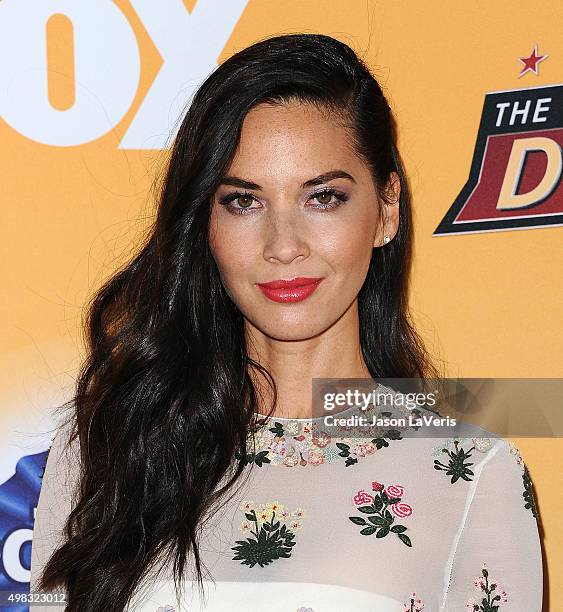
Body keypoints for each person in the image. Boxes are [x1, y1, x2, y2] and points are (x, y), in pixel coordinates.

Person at [30, 33, 543, 611]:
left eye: (322, 197)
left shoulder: (469, 473)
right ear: (205, 223)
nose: (283, 246)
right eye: (243, 202)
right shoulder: (108, 447)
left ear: (386, 209)